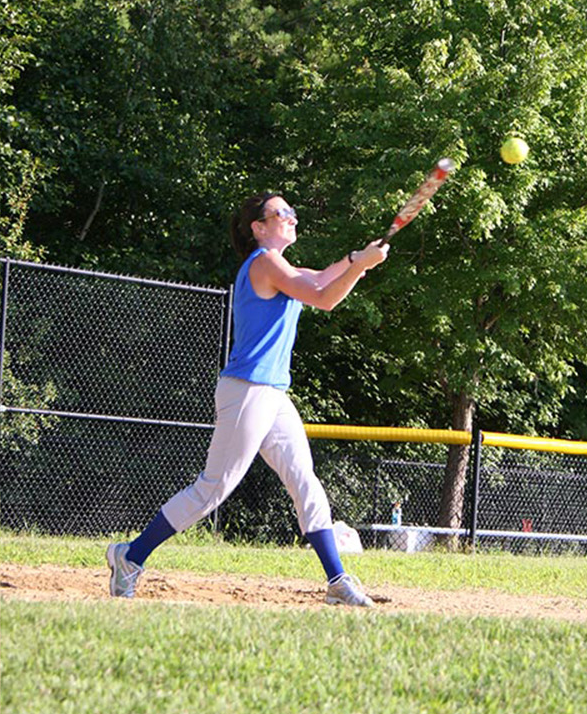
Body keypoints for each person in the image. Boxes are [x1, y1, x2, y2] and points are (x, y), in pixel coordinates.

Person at [106, 192, 388, 606]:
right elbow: (324, 298)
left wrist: (354, 261)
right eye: (282, 212)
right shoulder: (265, 263)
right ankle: (130, 556)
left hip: (272, 393)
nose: (292, 217)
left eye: (291, 211)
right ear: (258, 228)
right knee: (212, 490)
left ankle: (337, 579)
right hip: (247, 390)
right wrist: (358, 267)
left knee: (304, 481)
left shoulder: (282, 265)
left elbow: (324, 279)